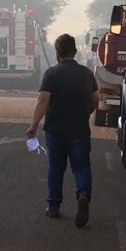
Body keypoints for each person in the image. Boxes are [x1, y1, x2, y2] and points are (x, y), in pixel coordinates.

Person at [26, 33, 99, 227]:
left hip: (56, 130)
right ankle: (83, 195)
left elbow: (43, 100)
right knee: (82, 166)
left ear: (57, 53)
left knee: (56, 167)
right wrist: (85, 113)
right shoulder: (87, 74)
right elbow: (95, 100)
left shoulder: (52, 73)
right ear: (75, 52)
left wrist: (34, 125)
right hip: (80, 129)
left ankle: (54, 207)